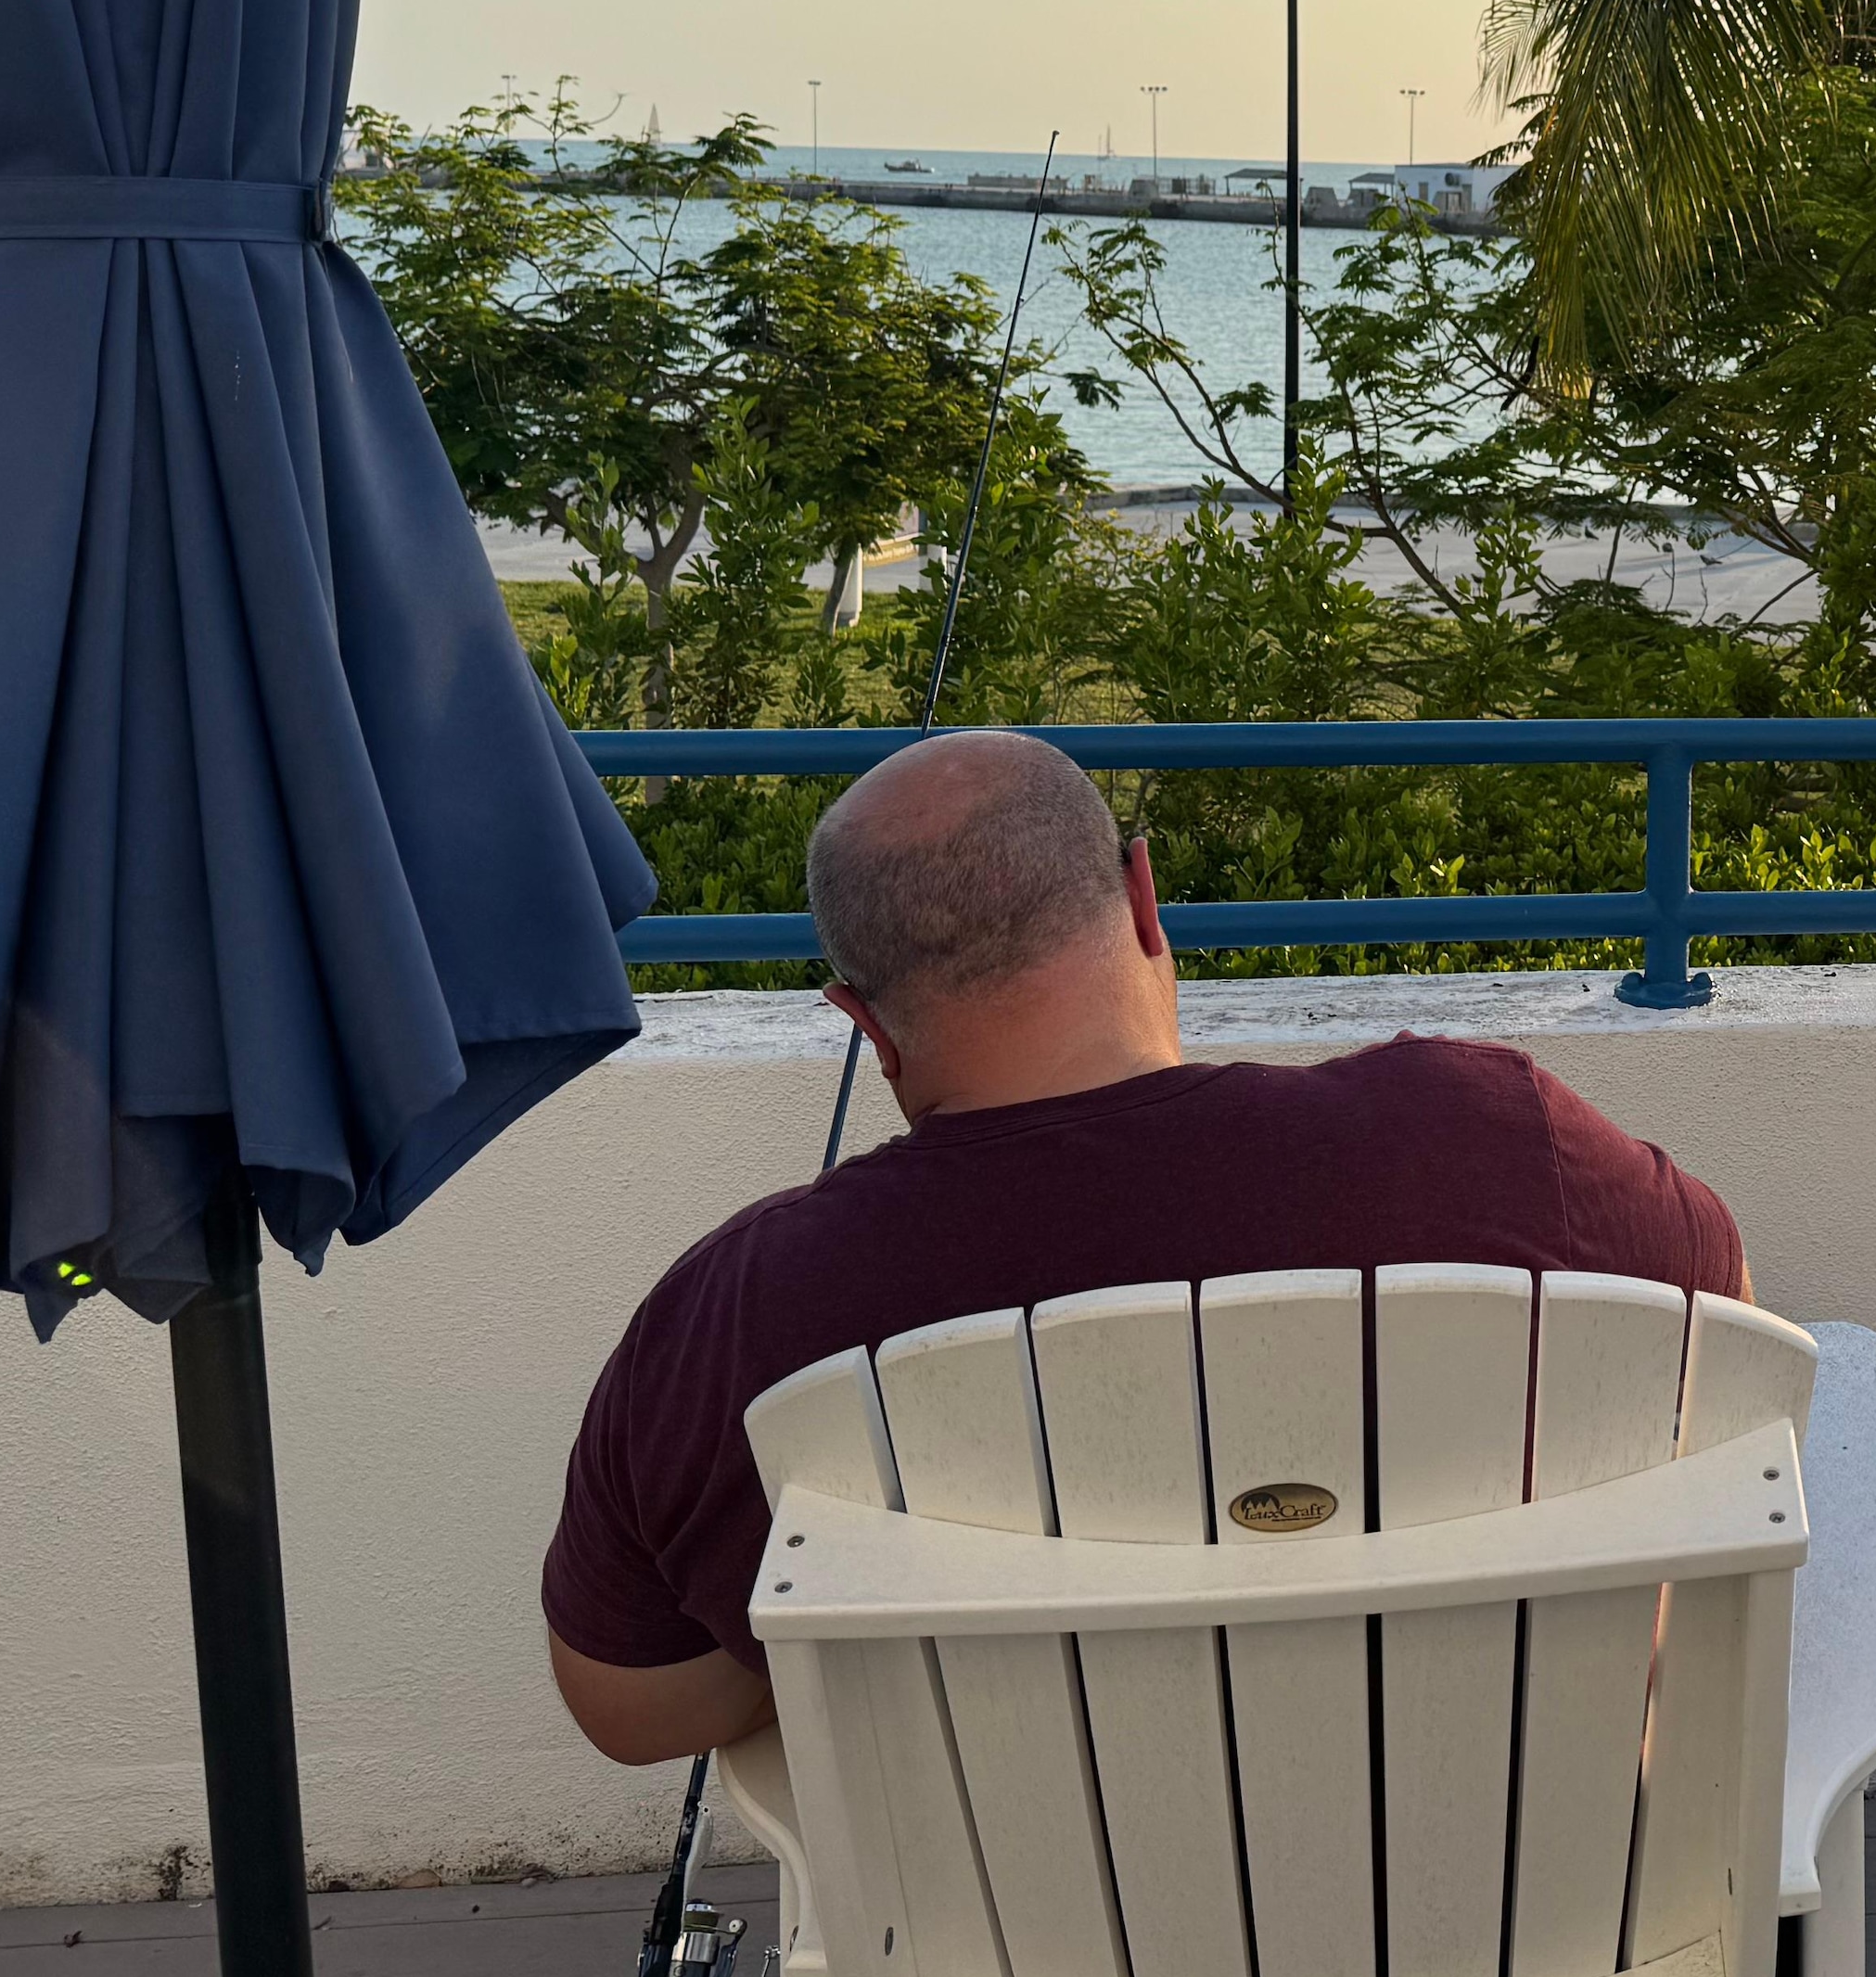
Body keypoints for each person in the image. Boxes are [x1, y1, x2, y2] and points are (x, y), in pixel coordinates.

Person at [541, 730, 1750, 1767]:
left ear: (863, 1020)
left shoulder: (738, 1312)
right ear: (1143, 897)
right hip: (1514, 1947)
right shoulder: (1487, 1135)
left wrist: (898, 1606)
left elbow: (629, 1705)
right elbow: (1722, 1348)